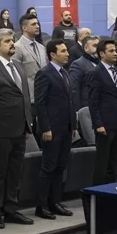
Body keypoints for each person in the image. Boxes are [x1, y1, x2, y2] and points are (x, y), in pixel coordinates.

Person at [0, 29, 33, 229]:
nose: (12, 44)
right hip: (0, 131)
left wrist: (27, 124)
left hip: (19, 128)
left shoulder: (18, 65)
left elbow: (24, 97)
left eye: (13, 40)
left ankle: (11, 209)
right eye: (8, 41)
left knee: (15, 172)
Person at [34, 39, 77, 219]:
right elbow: (40, 103)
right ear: (52, 54)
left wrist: (73, 125)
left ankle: (55, 201)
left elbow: (70, 101)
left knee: (60, 166)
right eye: (63, 51)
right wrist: (46, 128)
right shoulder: (44, 73)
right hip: (52, 128)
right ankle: (42, 205)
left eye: (67, 50)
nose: (67, 54)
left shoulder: (65, 73)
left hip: (65, 127)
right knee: (49, 167)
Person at [87, 39, 117, 186]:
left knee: (114, 161)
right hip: (104, 124)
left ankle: (111, 189)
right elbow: (93, 101)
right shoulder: (95, 73)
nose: (115, 53)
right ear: (102, 54)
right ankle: (98, 192)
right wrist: (98, 124)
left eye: (115, 50)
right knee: (102, 162)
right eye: (111, 51)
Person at [10, 14, 46, 106]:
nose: (37, 26)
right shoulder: (17, 47)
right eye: (33, 24)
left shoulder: (41, 47)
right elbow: (15, 75)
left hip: (44, 96)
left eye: (37, 23)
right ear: (24, 28)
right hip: (28, 98)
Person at [68, 34, 99, 107]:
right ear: (86, 48)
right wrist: (78, 110)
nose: (98, 49)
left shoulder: (102, 63)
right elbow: (74, 90)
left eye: (99, 46)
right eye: (95, 46)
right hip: (87, 107)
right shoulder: (77, 64)